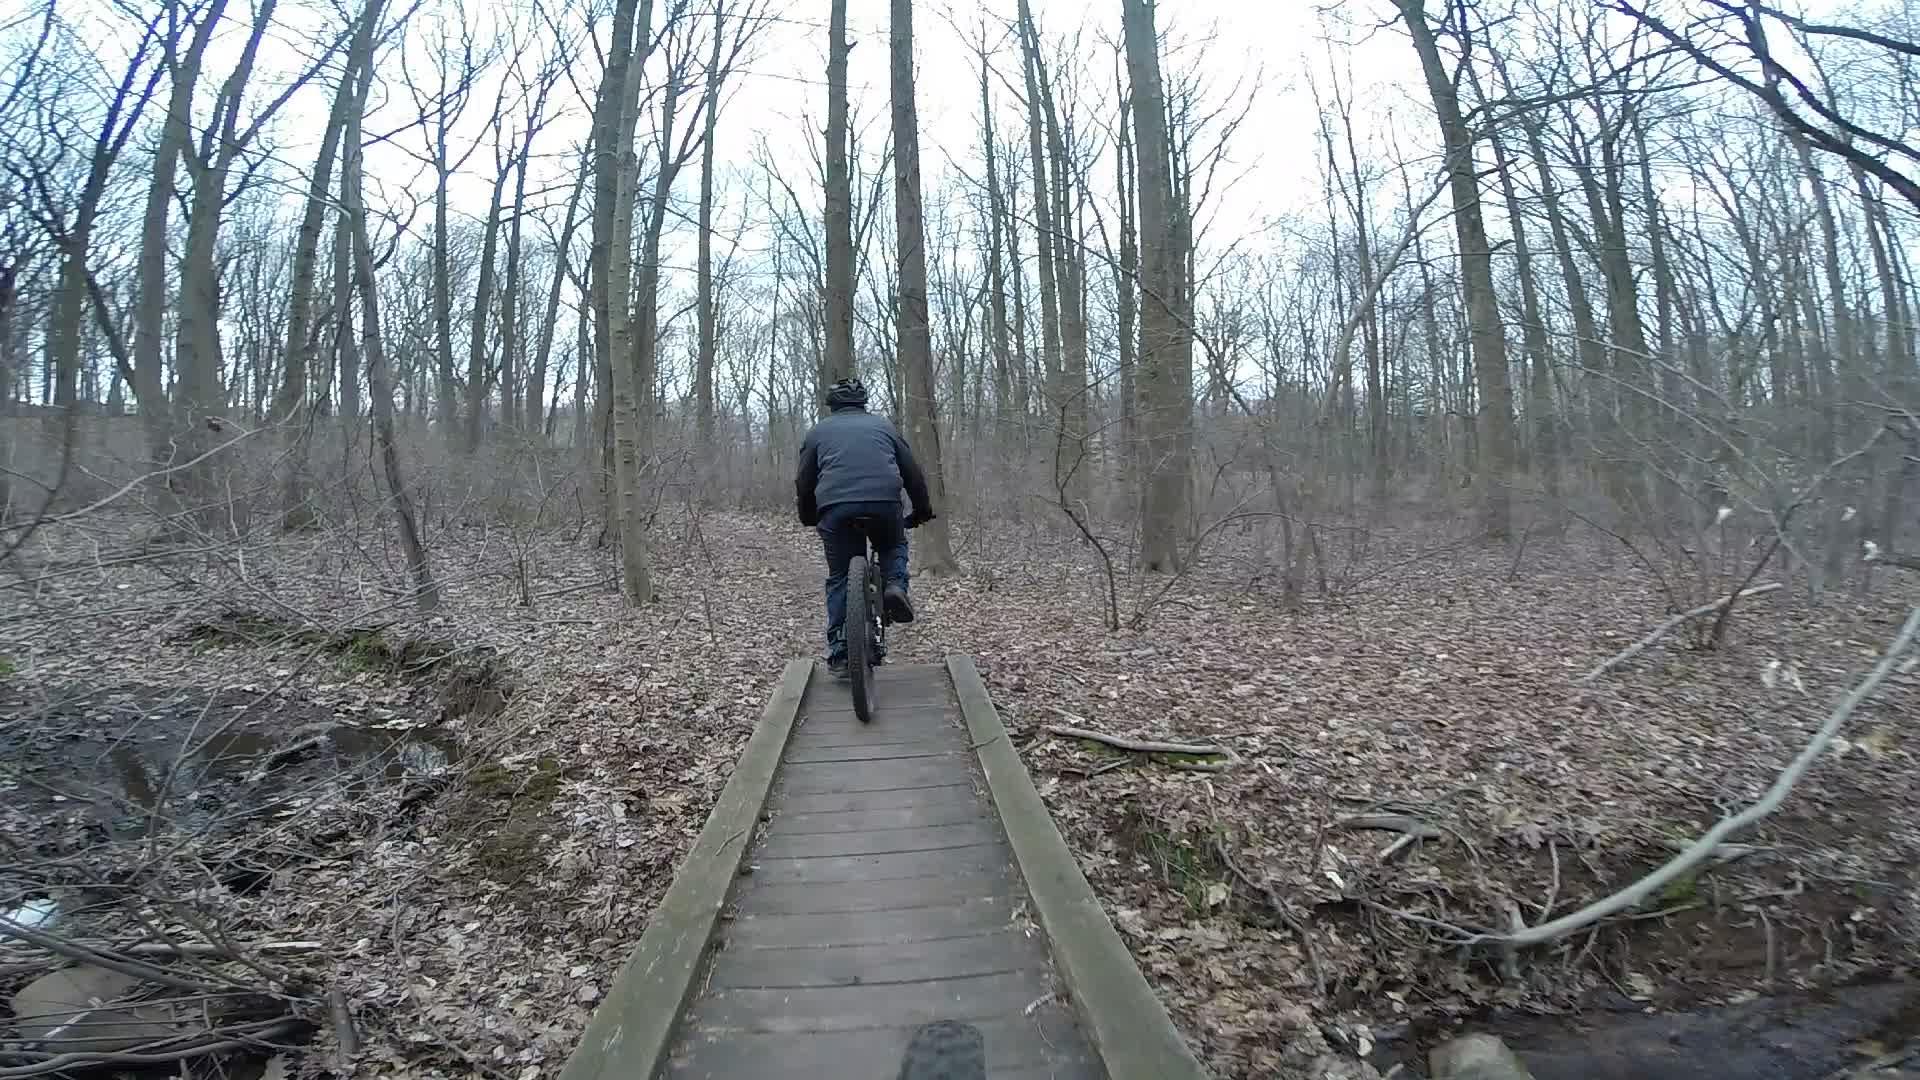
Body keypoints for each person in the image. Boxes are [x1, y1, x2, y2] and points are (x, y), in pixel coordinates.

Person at [795, 377, 936, 677]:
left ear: (831, 405)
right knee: (892, 545)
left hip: (835, 508)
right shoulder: (884, 427)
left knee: (840, 578)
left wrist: (808, 515)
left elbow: (804, 482)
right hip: (884, 503)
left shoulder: (818, 432)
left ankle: (841, 653)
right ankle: (895, 586)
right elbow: (912, 473)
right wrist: (922, 510)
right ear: (863, 403)